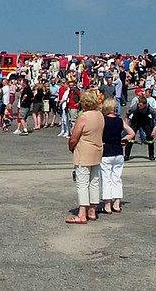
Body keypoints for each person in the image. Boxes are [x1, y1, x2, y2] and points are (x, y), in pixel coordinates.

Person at [65, 91, 105, 224]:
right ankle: (92, 210)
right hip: (97, 150)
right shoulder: (100, 115)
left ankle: (82, 214)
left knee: (82, 183)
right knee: (94, 181)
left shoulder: (83, 117)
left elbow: (74, 137)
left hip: (84, 151)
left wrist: (71, 147)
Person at [100, 98, 134, 214]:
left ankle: (107, 205)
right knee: (117, 178)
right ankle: (117, 203)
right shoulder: (120, 121)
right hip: (118, 152)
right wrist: (123, 140)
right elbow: (132, 133)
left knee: (106, 179)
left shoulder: (103, 120)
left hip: (106, 152)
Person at [125, 96, 156, 161]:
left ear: (145, 105)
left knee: (150, 138)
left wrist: (154, 129)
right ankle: (127, 155)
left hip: (145, 121)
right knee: (131, 138)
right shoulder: (134, 107)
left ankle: (151, 155)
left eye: (140, 105)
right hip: (135, 121)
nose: (139, 106)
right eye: (138, 104)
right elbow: (127, 114)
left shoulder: (150, 109)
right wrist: (127, 126)